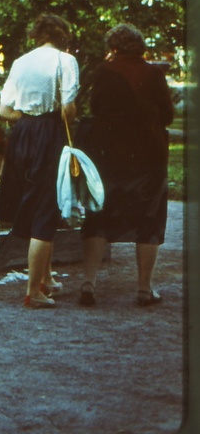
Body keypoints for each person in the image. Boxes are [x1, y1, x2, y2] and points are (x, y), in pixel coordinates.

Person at [77, 23, 175, 307]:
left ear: (113, 47)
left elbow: (94, 108)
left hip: (108, 155)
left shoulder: (103, 72)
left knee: (98, 214)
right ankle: (144, 289)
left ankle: (88, 282)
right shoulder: (154, 73)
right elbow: (167, 114)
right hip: (148, 156)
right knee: (150, 217)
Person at [0, 13, 79, 308]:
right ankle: (34, 290)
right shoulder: (65, 61)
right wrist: (47, 119)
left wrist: (28, 120)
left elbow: (4, 110)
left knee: (35, 204)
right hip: (49, 133)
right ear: (61, 36)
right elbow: (68, 109)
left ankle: (46, 278)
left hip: (22, 134)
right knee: (47, 206)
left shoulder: (21, 62)